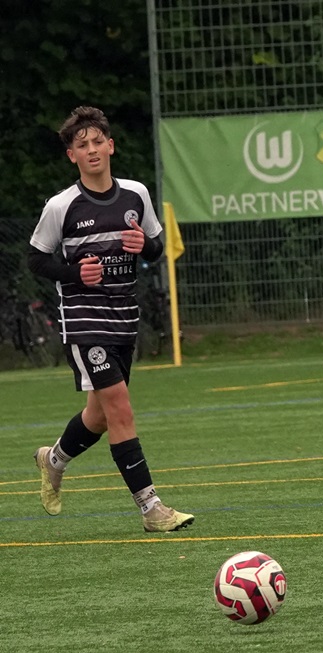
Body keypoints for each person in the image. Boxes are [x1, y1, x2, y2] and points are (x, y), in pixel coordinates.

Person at [27, 106, 194, 532]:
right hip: (84, 321)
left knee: (99, 416)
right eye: (82, 145)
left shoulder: (136, 194)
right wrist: (74, 273)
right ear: (72, 156)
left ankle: (53, 459)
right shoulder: (61, 205)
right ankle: (151, 508)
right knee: (120, 409)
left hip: (124, 318)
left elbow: (155, 246)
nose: (92, 149)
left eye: (98, 141)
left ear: (111, 146)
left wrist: (145, 247)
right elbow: (37, 259)